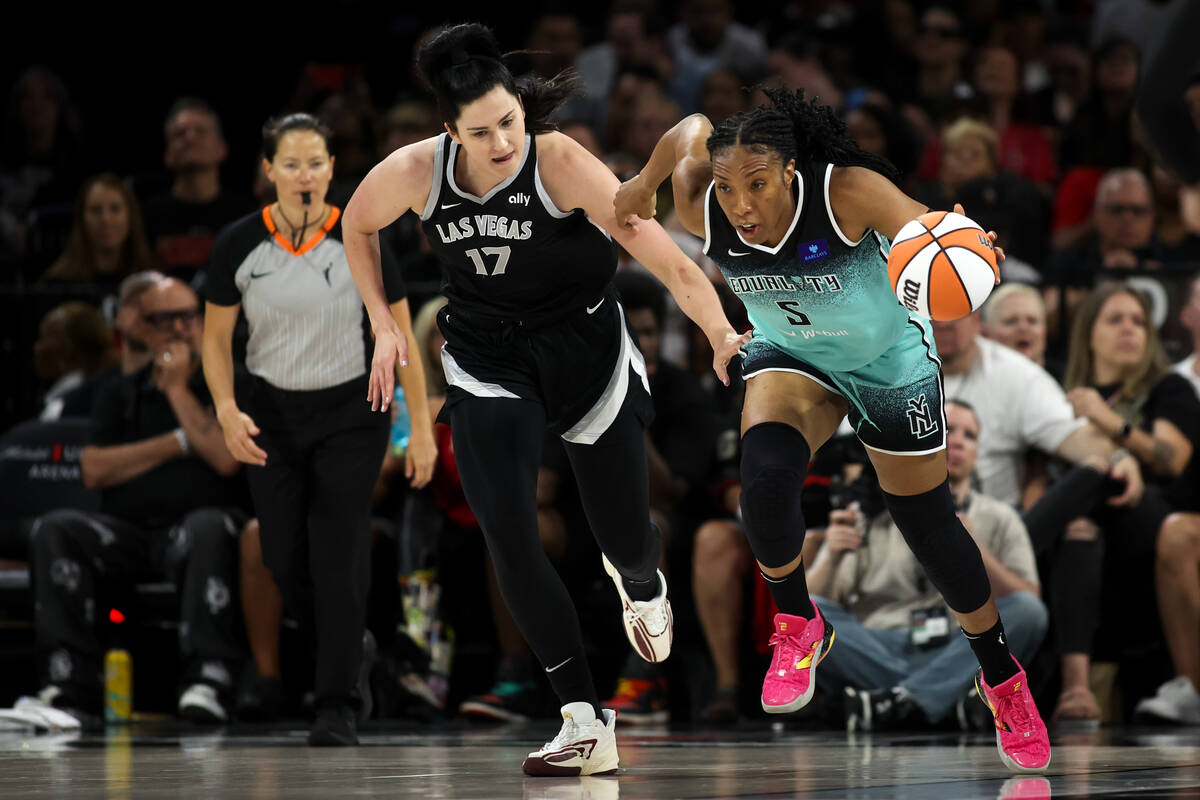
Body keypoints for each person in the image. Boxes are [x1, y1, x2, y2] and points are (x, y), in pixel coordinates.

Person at [341, 23, 746, 776]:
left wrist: (721, 332)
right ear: (447, 132)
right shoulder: (414, 171)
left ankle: (641, 580)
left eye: (508, 123)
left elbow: (667, 262)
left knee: (623, 536)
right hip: (488, 357)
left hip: (585, 353)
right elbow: (355, 226)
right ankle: (584, 720)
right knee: (509, 535)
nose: (499, 143)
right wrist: (381, 324)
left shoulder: (559, 162)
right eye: (480, 132)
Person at [615, 86, 1050, 772]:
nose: (740, 206)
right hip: (794, 357)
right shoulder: (704, 199)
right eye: (727, 188)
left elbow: (922, 226)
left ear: (790, 172)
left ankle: (1000, 677)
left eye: (756, 184)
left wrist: (964, 246)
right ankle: (799, 624)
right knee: (760, 486)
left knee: (930, 526)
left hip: (888, 360)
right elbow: (689, 132)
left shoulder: (847, 191)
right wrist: (641, 184)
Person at [202, 113, 437, 746]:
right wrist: (224, 408)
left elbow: (401, 335)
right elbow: (216, 339)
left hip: (350, 412)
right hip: (270, 415)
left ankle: (337, 702)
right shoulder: (238, 245)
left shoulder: (362, 238)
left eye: (316, 163)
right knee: (281, 556)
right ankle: (348, 641)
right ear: (268, 171)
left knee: (339, 553)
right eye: (291, 164)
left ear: (333, 169)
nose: (304, 176)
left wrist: (417, 431)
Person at [22, 277, 249, 724]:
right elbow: (94, 468)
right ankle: (67, 685)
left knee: (207, 526)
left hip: (197, 527)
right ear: (140, 327)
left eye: (190, 316)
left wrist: (178, 391)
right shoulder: (118, 390)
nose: (182, 329)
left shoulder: (227, 382)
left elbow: (225, 459)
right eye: (167, 319)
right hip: (128, 532)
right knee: (56, 528)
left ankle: (209, 679)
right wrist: (183, 441)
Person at [811, 401, 1047, 731]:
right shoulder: (870, 512)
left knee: (1028, 612)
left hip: (961, 644)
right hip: (882, 643)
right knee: (808, 616)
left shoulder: (999, 517)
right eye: (948, 430)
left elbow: (1029, 601)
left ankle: (895, 702)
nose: (959, 441)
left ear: (978, 452)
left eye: (970, 435)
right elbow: (811, 609)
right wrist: (832, 556)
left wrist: (976, 550)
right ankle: (938, 701)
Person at [1047, 283, 1200, 723]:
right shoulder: (1061, 394)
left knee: (1102, 478)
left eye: (1138, 321)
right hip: (1090, 533)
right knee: (1079, 528)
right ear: (1088, 333)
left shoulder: (1169, 388)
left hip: (1154, 523)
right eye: (1115, 320)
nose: (1131, 329)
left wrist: (1106, 420)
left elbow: (1171, 460)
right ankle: (1072, 690)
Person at [143, 98, 251, 280]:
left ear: (222, 148)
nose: (190, 138)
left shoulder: (245, 216)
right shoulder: (145, 217)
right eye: (180, 134)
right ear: (167, 154)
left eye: (200, 132)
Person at [40, 173, 154, 289]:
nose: (105, 219)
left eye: (115, 209)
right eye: (96, 210)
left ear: (130, 215)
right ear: (82, 218)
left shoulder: (152, 282)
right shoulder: (57, 283)